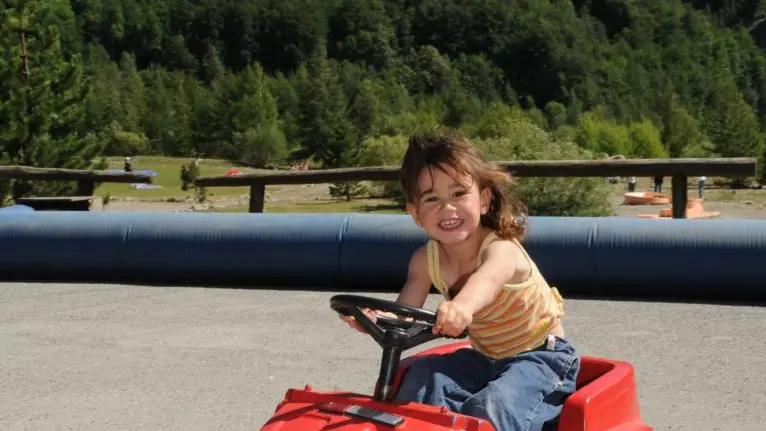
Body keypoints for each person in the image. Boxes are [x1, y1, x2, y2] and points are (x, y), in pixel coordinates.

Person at [339, 131, 580, 431]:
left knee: (491, 406)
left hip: (542, 357)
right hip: (485, 358)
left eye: (458, 194)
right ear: (415, 214)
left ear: (483, 200)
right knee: (419, 378)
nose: (447, 208)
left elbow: (486, 281)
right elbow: (405, 312)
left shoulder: (500, 250)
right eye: (432, 198)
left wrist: (462, 307)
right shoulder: (424, 261)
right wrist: (376, 320)